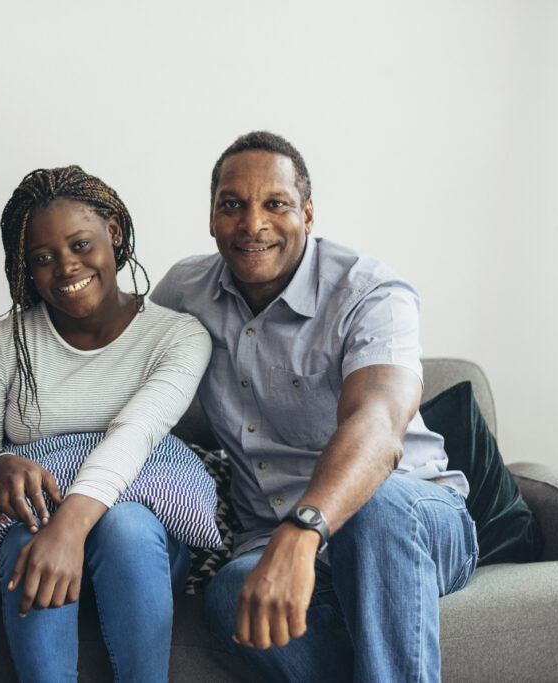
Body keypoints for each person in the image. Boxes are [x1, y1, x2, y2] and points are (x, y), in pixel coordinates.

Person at [151, 131, 479, 682]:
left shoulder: (369, 292)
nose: (252, 224)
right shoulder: (185, 291)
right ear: (211, 218)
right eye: (232, 205)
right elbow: (108, 363)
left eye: (274, 204)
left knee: (375, 511)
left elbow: (376, 427)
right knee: (228, 594)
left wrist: (303, 530)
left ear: (307, 213)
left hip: (411, 520)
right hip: (265, 536)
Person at [0, 166, 213, 682]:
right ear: (26, 268)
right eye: (42, 258)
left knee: (127, 526)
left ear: (113, 231)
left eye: (80, 244)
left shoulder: (178, 336)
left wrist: (68, 529)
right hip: (34, 542)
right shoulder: (0, 347)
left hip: (140, 549)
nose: (66, 268)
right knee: (24, 535)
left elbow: (134, 435)